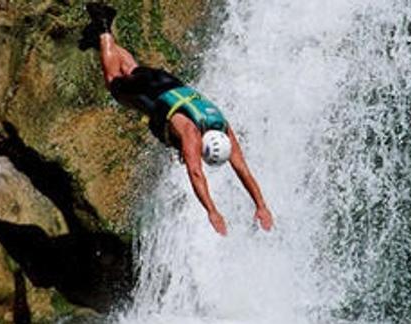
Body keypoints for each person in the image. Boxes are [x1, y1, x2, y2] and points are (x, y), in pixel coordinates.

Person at [78, 3, 273, 236]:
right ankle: (103, 26)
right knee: (114, 82)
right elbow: (196, 173)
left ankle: (101, 40)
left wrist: (261, 205)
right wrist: (212, 210)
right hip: (150, 92)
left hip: (167, 82)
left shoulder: (222, 125)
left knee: (131, 69)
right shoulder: (192, 135)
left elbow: (243, 171)